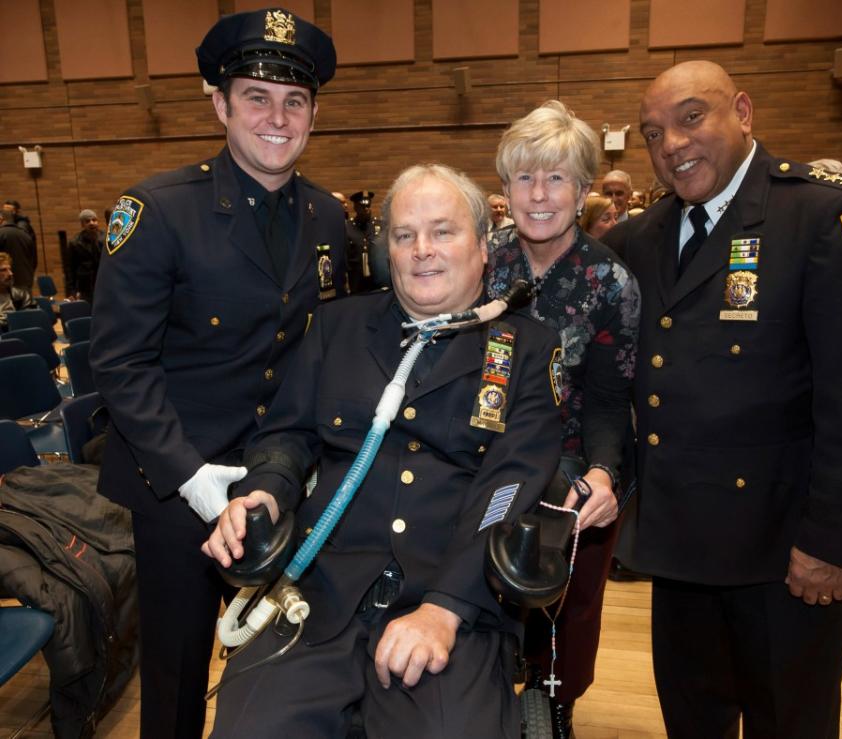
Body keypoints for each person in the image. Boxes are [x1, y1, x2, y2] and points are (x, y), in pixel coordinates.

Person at [203, 163, 562, 738]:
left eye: (442, 231)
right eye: (404, 235)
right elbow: (287, 435)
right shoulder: (336, 327)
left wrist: (445, 609)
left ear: (482, 246)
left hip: (451, 599)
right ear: (385, 250)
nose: (422, 250)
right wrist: (264, 493)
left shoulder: (524, 348)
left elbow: (508, 488)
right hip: (319, 593)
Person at [618, 60, 842, 737]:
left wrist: (836, 540)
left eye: (692, 117)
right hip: (681, 548)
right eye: (653, 133)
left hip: (785, 557)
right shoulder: (643, 237)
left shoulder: (826, 216)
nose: (672, 145)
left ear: (742, 113)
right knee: (693, 719)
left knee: (790, 722)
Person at [89, 9, 345, 738]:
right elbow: (119, 361)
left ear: (314, 115)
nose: (277, 116)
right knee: (174, 675)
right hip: (176, 483)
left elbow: (319, 349)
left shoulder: (328, 217)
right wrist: (191, 474)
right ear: (220, 103)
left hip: (278, 478)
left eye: (294, 100)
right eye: (257, 96)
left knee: (272, 663)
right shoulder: (159, 210)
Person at [486, 100, 640, 738]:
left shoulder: (610, 282)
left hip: (575, 469)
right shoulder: (482, 264)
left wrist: (602, 473)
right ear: (505, 189)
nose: (540, 194)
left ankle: (555, 705)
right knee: (483, 596)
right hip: (487, 462)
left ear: (583, 191)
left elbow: (609, 400)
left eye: (557, 178)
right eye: (524, 177)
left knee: (569, 610)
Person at [351, 189, 390, 288]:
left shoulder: (379, 225)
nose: (367, 209)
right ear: (355, 207)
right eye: (363, 207)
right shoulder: (348, 228)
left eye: (368, 206)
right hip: (356, 283)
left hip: (376, 282)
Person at [64, 209, 104, 301]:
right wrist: (71, 291)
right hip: (86, 286)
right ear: (82, 224)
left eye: (94, 220)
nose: (91, 223)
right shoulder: (75, 243)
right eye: (87, 221)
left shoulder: (106, 238)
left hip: (104, 283)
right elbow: (70, 269)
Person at [0, 207, 34, 291]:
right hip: (26, 282)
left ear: (1, 219)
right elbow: (34, 261)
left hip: (6, 284)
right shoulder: (26, 235)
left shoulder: (0, 234)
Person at [0, 252, 36, 329]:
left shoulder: (23, 294)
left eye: (10, 269)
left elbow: (29, 320)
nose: (10, 273)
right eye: (3, 270)